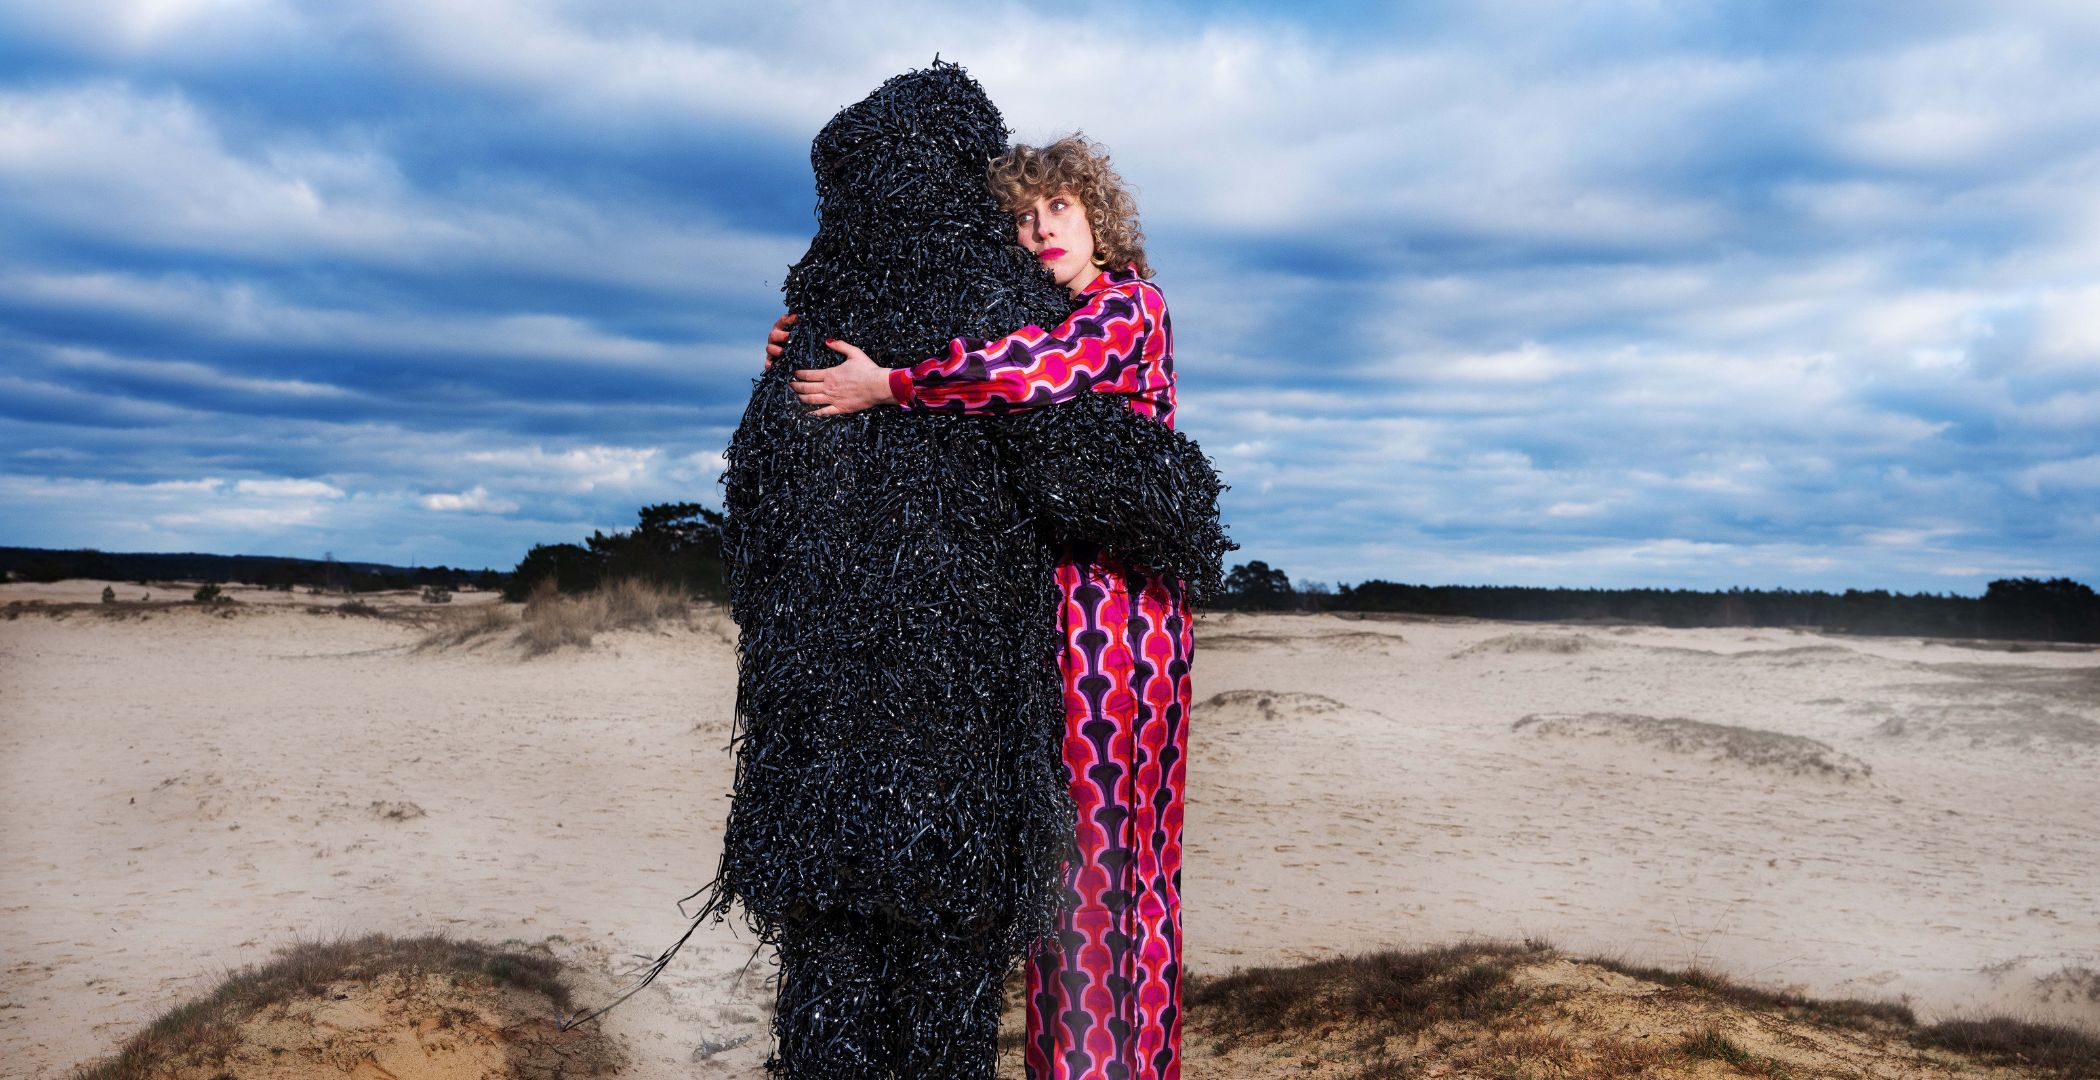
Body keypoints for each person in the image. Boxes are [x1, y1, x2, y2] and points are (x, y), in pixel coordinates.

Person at [773, 134, 1189, 1080]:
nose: (1042, 230)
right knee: (1064, 873)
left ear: (1102, 220)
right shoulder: (1042, 309)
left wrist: (889, 385)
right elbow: (978, 344)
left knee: (1112, 873)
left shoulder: (1130, 309)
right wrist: (797, 338)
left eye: (1062, 211)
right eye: (1025, 217)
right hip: (1054, 619)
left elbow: (1022, 373)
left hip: (1120, 624)